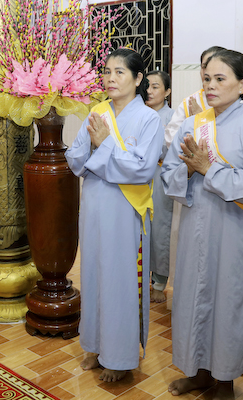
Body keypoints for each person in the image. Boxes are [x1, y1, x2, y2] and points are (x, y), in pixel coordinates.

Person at [161, 49, 243, 399]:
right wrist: (188, 170)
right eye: (207, 78)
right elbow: (168, 175)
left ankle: (225, 380)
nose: (210, 85)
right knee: (193, 297)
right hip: (195, 227)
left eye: (220, 79)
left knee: (228, 300)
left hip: (235, 228)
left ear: (242, 84)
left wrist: (208, 169)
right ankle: (198, 372)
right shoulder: (193, 125)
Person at [65, 48, 163, 383]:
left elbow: (142, 169)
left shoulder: (148, 119)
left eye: (120, 72)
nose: (111, 78)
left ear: (138, 79)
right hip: (94, 205)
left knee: (120, 280)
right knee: (93, 274)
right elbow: (76, 157)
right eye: (107, 71)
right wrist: (97, 148)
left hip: (125, 211)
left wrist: (104, 146)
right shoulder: (97, 111)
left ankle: (119, 358)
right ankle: (94, 346)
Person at [144, 70, 174, 303]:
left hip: (161, 176)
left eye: (155, 86)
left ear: (167, 92)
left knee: (160, 229)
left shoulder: (173, 117)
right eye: (147, 86)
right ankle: (140, 278)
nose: (149, 91)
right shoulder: (138, 113)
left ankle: (159, 282)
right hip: (137, 179)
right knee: (140, 229)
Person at [163, 46, 225, 149]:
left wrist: (201, 120)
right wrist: (193, 124)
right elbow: (171, 139)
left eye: (215, 67)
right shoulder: (190, 102)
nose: (208, 72)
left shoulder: (233, 101)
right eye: (205, 67)